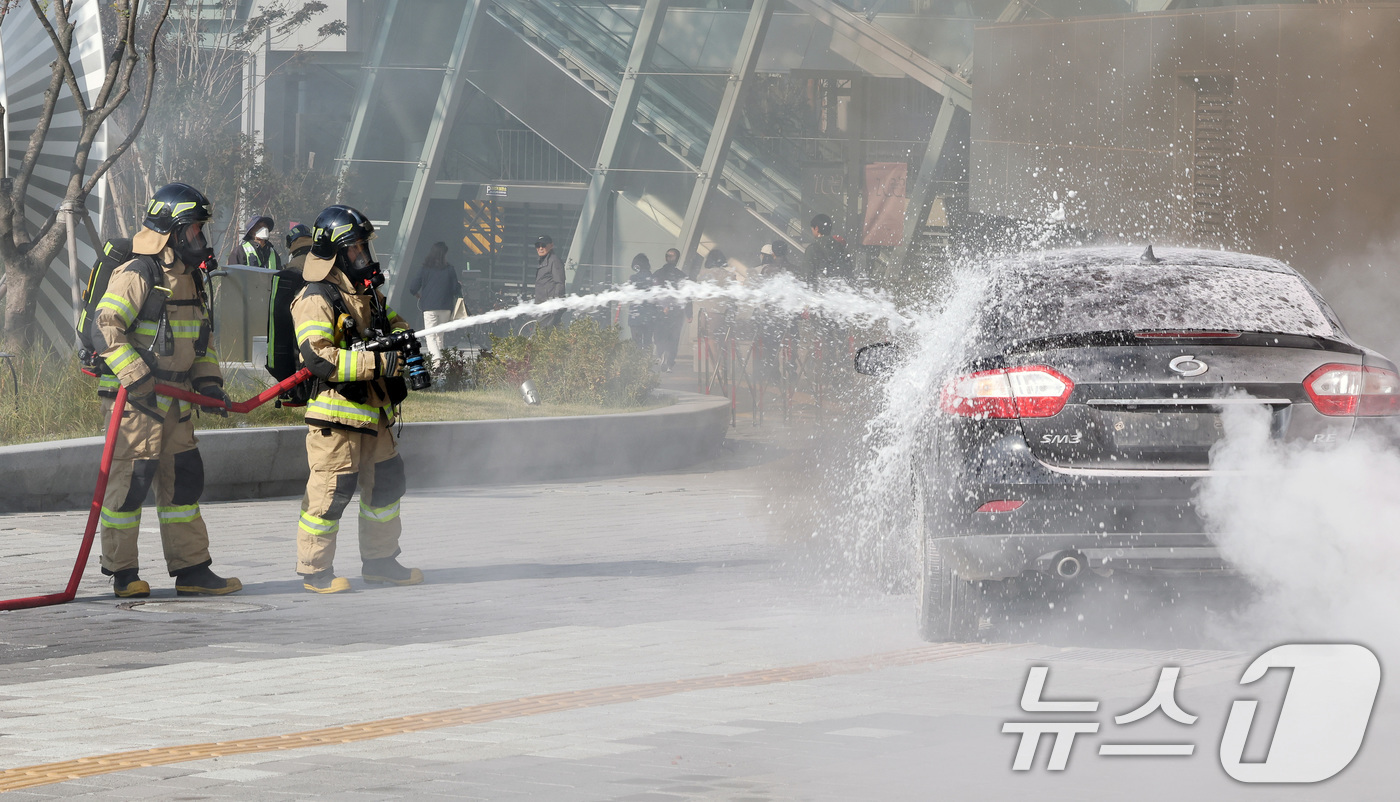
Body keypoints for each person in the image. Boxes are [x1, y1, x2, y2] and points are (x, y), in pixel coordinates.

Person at [92, 182, 241, 598]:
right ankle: (124, 574)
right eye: (194, 230)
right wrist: (136, 376)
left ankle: (192, 569)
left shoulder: (189, 278)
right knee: (130, 484)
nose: (200, 239)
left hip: (177, 402)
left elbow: (201, 341)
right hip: (136, 403)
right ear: (173, 232)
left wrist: (209, 382)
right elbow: (107, 327)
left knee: (183, 485)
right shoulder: (140, 272)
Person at [290, 204, 423, 594]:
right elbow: (319, 357)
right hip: (336, 418)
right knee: (330, 496)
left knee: (386, 488)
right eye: (357, 249)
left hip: (374, 415)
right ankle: (315, 572)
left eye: (365, 248)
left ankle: (382, 562)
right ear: (336, 253)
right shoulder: (315, 297)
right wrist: (379, 361)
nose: (364, 256)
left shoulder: (368, 295)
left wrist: (402, 339)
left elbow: (396, 325)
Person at [407, 241, 461, 361]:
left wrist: (418, 295)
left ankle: (437, 359)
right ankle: (440, 363)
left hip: (429, 307)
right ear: (444, 255)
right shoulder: (450, 269)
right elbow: (454, 289)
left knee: (430, 335)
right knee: (439, 335)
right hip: (446, 307)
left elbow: (412, 287)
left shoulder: (424, 269)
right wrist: (458, 285)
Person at [651, 248, 690, 372]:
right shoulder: (682, 276)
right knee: (673, 337)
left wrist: (661, 306)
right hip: (676, 311)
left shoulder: (657, 274)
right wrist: (689, 313)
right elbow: (686, 296)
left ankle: (662, 354)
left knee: (659, 334)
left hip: (660, 310)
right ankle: (669, 361)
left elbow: (653, 293)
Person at [800, 213, 853, 290]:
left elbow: (807, 277)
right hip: (841, 293)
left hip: (822, 294)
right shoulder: (842, 248)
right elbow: (849, 273)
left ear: (816, 228)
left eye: (812, 229)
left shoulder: (812, 249)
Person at [694, 248, 736, 338]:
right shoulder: (730, 276)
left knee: (708, 338)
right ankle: (718, 352)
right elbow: (733, 295)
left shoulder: (703, 274)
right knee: (721, 339)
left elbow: (698, 294)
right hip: (723, 312)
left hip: (706, 311)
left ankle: (714, 353)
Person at [533, 234, 566, 330]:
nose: (540, 248)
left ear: (551, 245)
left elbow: (560, 283)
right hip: (543, 305)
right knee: (552, 335)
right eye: (537, 246)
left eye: (543, 245)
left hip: (549, 306)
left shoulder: (554, 261)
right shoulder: (543, 261)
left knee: (541, 334)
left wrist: (555, 302)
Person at [626, 252, 655, 353]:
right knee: (648, 342)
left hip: (635, 316)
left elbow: (629, 296)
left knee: (636, 343)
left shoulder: (633, 278)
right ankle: (647, 365)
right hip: (649, 316)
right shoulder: (653, 278)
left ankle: (637, 365)